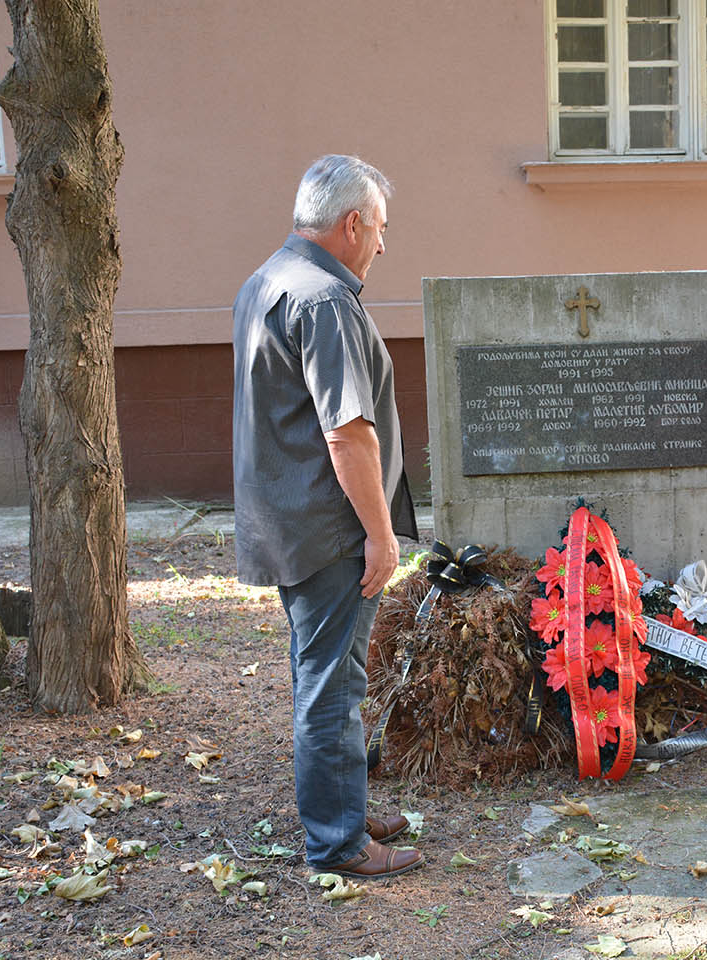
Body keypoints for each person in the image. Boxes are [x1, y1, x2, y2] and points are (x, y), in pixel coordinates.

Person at [232, 155, 421, 879]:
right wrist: (379, 533)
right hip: (328, 527)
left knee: (326, 675)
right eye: (378, 228)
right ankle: (338, 843)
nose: (382, 243)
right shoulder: (326, 300)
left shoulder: (268, 279)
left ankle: (343, 805)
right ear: (350, 224)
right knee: (333, 687)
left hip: (289, 520)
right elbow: (347, 430)